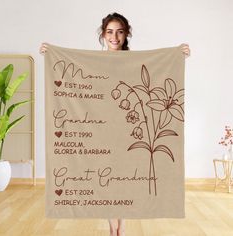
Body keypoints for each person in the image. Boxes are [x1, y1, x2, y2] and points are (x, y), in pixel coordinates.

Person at [40, 12, 190, 236]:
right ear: (103, 34)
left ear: (126, 34)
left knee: (126, 175)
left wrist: (178, 55)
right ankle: (113, 226)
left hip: (129, 130)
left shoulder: (135, 62)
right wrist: (50, 52)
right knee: (108, 177)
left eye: (119, 32)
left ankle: (122, 225)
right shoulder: (94, 62)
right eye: (110, 32)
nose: (114, 37)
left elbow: (155, 71)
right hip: (102, 130)